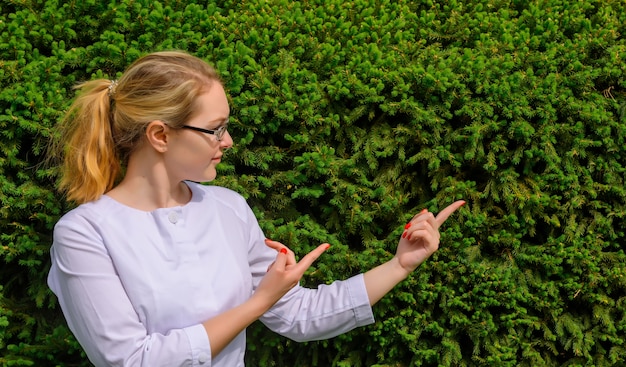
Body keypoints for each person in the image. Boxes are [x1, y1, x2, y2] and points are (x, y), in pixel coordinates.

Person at [47, 50, 465, 367]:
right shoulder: (85, 233)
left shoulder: (228, 208)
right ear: (160, 135)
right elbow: (131, 360)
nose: (227, 142)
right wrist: (257, 303)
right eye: (215, 130)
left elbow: (299, 315)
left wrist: (400, 265)